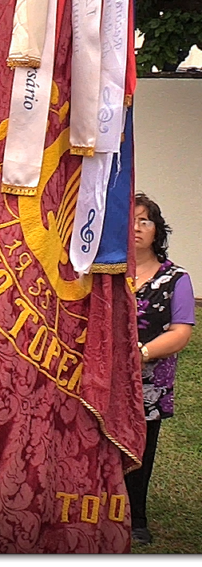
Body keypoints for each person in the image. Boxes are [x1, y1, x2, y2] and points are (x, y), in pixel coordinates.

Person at [125, 192, 195, 546]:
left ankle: (135, 519)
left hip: (147, 382)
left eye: (144, 221)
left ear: (157, 231)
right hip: (99, 378)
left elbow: (181, 332)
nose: (136, 227)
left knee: (139, 448)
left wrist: (142, 353)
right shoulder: (106, 272)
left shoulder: (176, 279)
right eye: (130, 220)